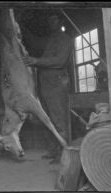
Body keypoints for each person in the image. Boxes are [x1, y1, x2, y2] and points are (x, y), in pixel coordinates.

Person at [23, 11, 73, 164]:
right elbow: (35, 42)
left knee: (58, 120)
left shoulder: (65, 39)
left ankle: (64, 153)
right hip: (45, 85)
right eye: (49, 20)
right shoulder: (50, 39)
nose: (51, 22)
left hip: (57, 84)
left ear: (61, 22)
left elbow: (59, 60)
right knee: (48, 119)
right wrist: (21, 27)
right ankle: (53, 150)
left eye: (54, 19)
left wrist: (36, 60)